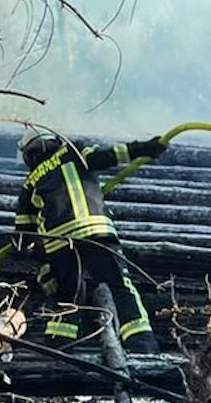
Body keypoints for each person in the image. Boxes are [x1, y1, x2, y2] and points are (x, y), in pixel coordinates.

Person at [15, 132, 167, 355]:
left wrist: (44, 265)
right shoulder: (73, 151)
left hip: (60, 244)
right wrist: (144, 148)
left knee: (69, 295)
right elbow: (108, 156)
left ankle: (59, 346)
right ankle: (141, 343)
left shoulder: (29, 184)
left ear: (30, 155)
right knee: (120, 287)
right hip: (97, 234)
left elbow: (22, 236)